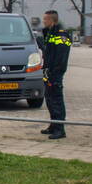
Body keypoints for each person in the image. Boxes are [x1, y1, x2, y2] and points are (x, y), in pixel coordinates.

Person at [40, 9, 72, 139]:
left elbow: (60, 56)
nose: (43, 21)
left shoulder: (61, 35)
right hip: (48, 72)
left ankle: (60, 129)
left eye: (45, 19)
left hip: (55, 73)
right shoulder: (50, 33)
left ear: (52, 20)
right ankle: (53, 125)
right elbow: (49, 52)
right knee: (49, 100)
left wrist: (54, 73)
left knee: (56, 100)